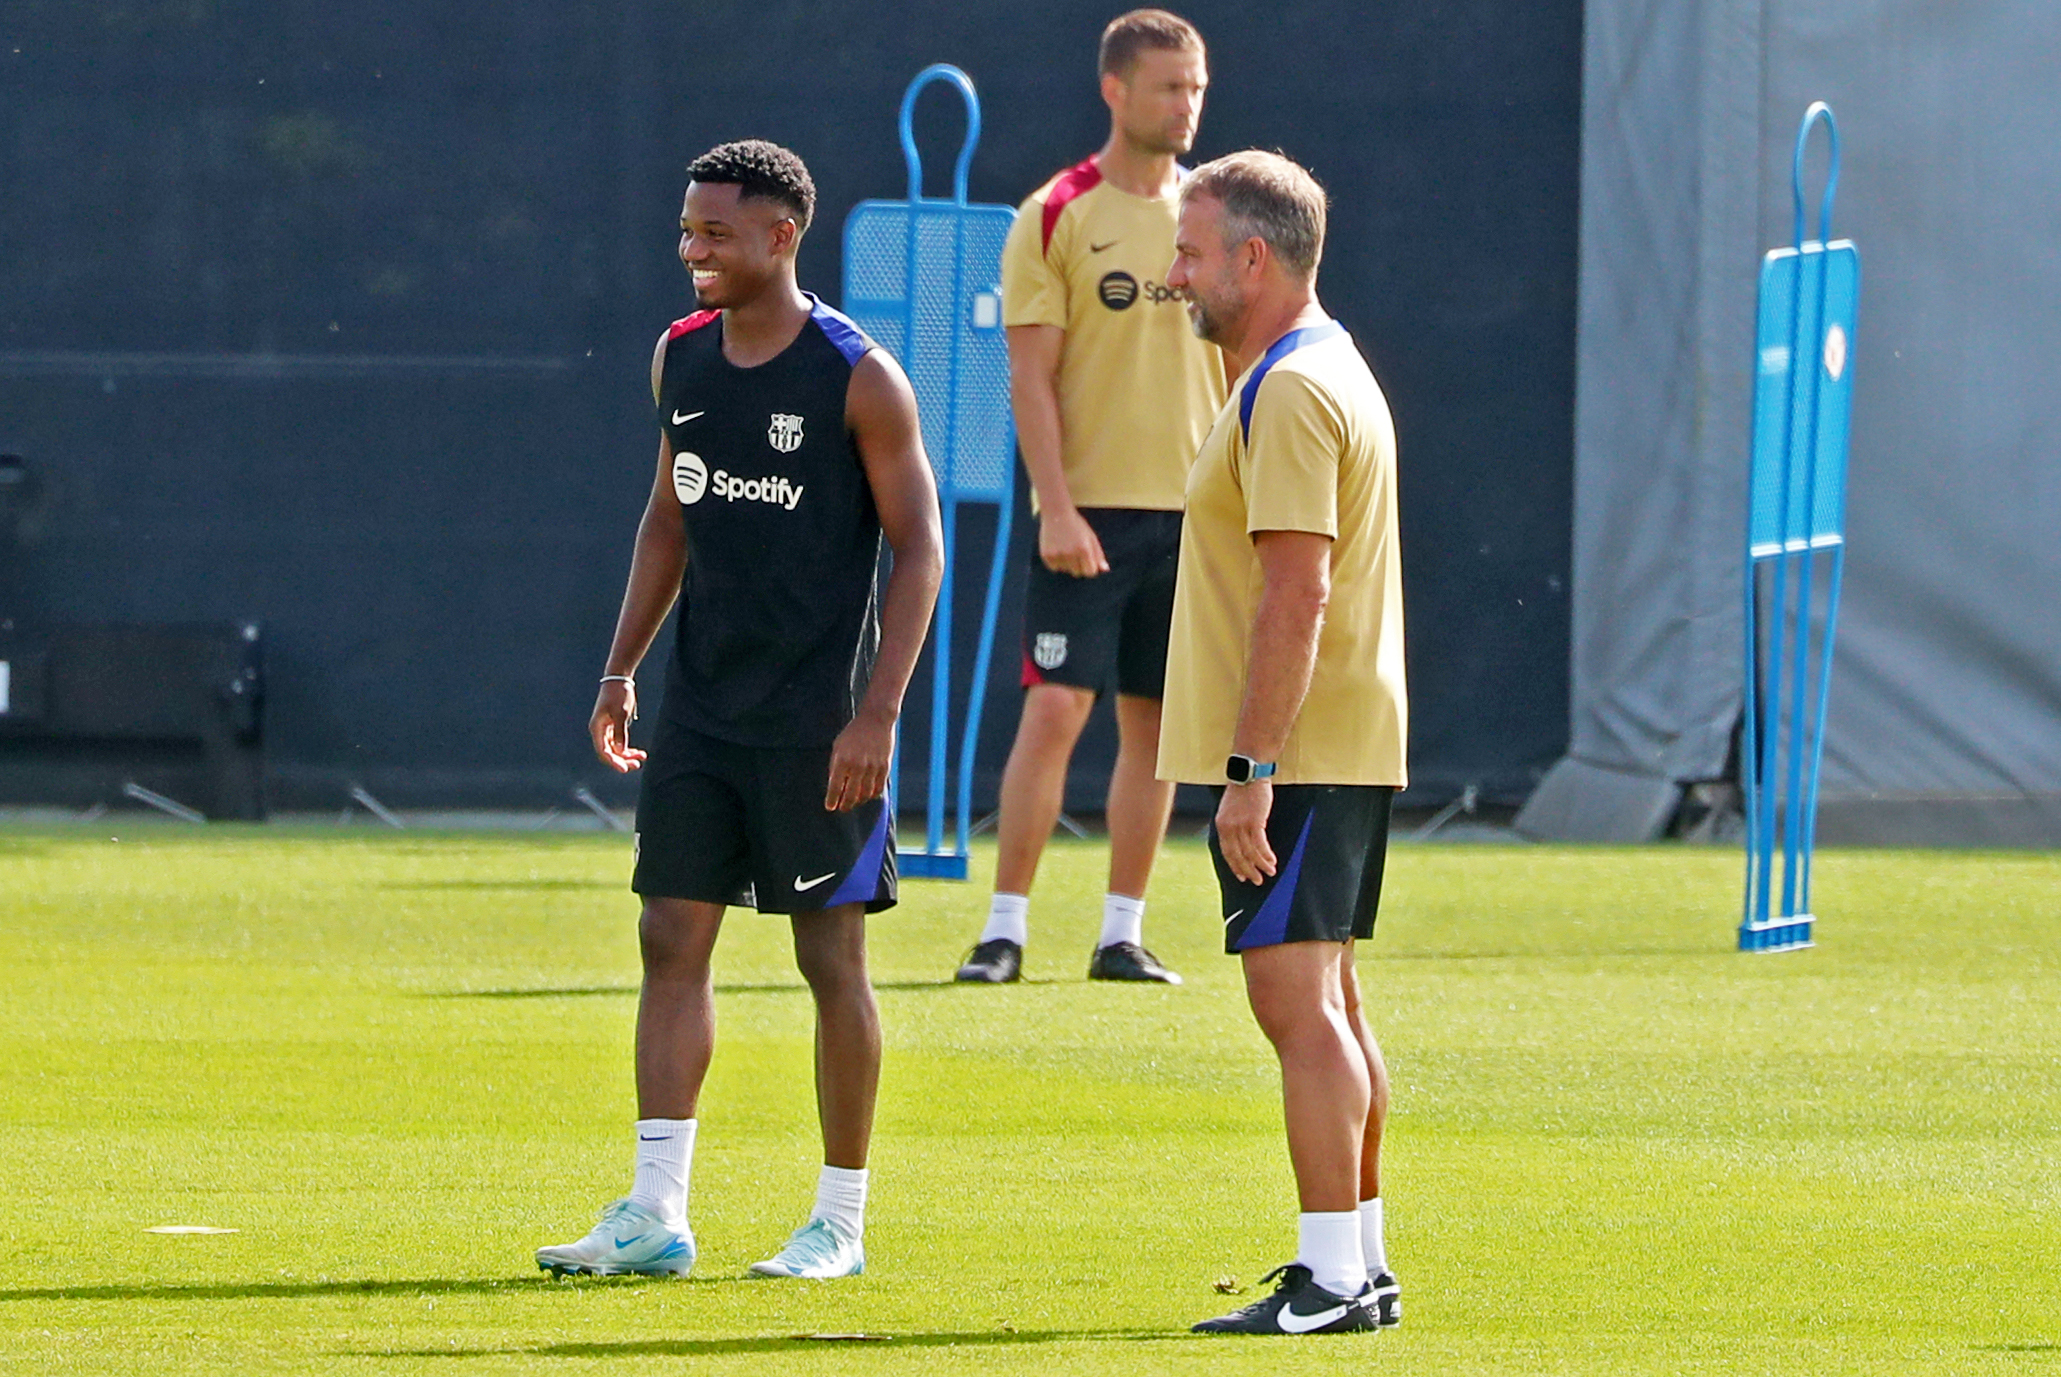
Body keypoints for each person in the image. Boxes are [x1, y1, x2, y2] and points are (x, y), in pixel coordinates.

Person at [536, 140, 943, 1282]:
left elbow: (920, 552)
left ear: (782, 236)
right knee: (670, 935)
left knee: (831, 961)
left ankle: (839, 1224)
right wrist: (621, 670)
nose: (693, 253)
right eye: (684, 232)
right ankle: (656, 1212)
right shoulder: (681, 358)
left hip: (821, 725)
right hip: (702, 710)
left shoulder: (860, 375)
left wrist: (878, 716)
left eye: (715, 234)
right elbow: (669, 517)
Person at [1159, 150, 1407, 1335]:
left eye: (1193, 253)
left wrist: (1250, 771)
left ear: (1252, 259)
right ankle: (1357, 1260)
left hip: (1299, 752)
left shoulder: (1293, 388)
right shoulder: (1320, 366)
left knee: (1296, 1007)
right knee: (1334, 1002)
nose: (1176, 276)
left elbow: (1295, 594)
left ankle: (1331, 1278)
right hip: (1335, 741)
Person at [954, 8, 1225, 986]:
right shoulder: (1057, 212)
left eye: (1195, 87)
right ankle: (1005, 929)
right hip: (1089, 514)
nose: (1186, 105)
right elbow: (1031, 378)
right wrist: (1056, 507)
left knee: (1157, 728)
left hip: (1193, 520)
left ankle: (1121, 932)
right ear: (1115, 90)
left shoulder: (1216, 213)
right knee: (1059, 709)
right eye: (1168, 87)